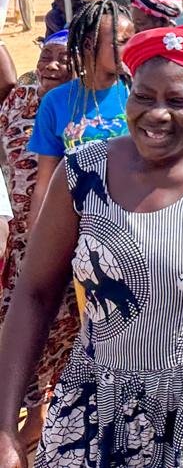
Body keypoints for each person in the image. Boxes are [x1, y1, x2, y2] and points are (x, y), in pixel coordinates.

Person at [0, 25, 183, 467]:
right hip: (95, 406)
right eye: (143, 97)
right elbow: (35, 293)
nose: (156, 114)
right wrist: (5, 424)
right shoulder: (84, 171)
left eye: (179, 101)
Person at [0, 34, 76, 455]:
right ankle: (32, 415)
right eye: (45, 55)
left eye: (62, 59)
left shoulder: (81, 107)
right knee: (19, 330)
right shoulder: (17, 102)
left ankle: (49, 417)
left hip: (71, 244)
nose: (50, 65)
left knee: (65, 333)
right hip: (23, 245)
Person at [28, 0, 135, 222]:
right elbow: (44, 184)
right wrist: (36, 237)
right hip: (75, 221)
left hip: (132, 218)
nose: (131, 47)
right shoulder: (56, 102)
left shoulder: (139, 94)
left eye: (133, 39)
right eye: (122, 41)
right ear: (89, 45)